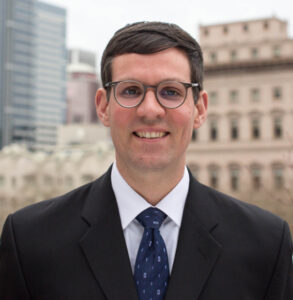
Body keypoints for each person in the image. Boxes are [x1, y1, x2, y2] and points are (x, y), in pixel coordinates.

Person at [0, 21, 292, 300]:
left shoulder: (266, 244)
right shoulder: (29, 241)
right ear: (103, 107)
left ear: (200, 109)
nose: (150, 110)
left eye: (170, 92)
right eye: (131, 90)